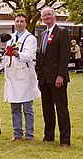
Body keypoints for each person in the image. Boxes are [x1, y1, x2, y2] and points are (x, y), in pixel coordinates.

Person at [0, 13, 40, 141]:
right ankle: (17, 133)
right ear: (14, 23)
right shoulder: (11, 38)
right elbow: (7, 56)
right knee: (15, 107)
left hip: (24, 77)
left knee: (27, 108)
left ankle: (29, 135)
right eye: (17, 21)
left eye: (21, 21)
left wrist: (17, 53)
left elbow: (29, 56)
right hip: (12, 76)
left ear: (25, 23)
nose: (19, 23)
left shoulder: (30, 38)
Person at [38, 7, 71, 147]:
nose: (46, 17)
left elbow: (64, 56)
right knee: (47, 109)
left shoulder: (62, 32)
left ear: (54, 16)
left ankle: (65, 140)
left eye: (49, 14)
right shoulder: (42, 34)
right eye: (44, 15)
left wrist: (60, 75)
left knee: (61, 108)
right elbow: (41, 57)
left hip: (57, 78)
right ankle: (49, 136)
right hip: (44, 78)